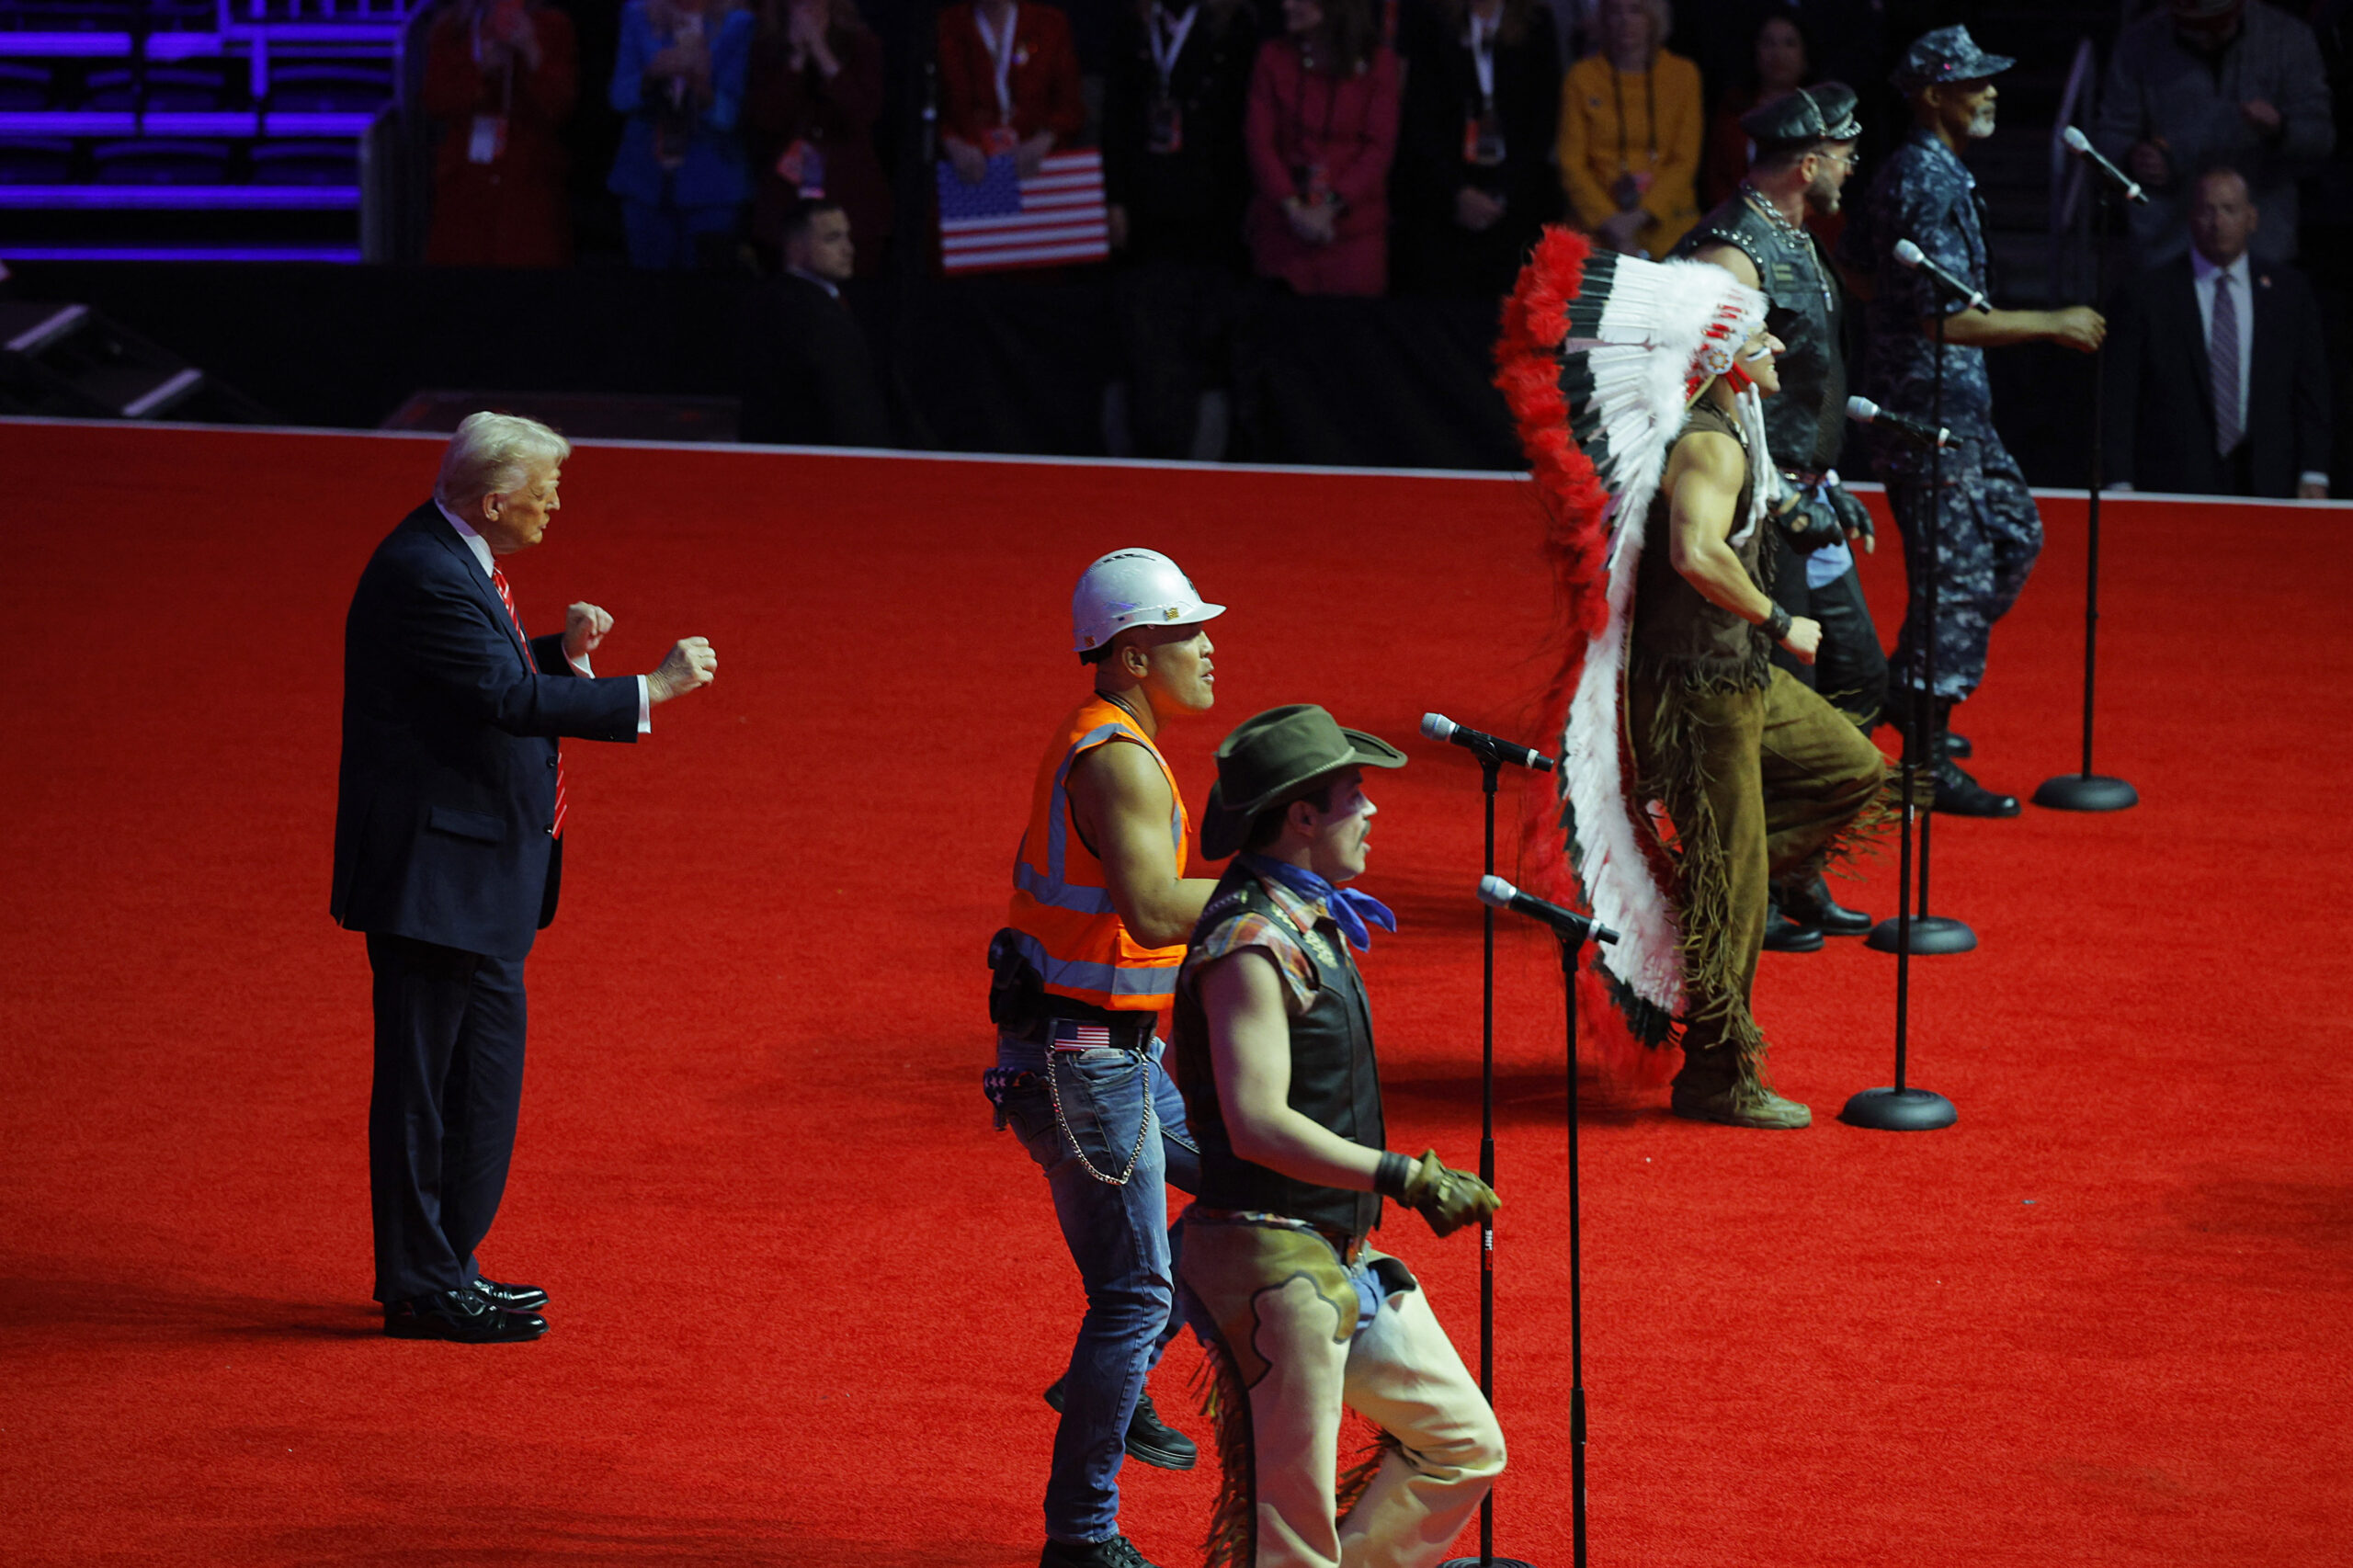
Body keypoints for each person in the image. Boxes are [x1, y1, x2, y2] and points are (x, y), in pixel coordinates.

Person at [334, 413, 718, 1342]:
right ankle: (423, 1282)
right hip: (435, 879)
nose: (556, 502)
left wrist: (558, 656)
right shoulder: (423, 570)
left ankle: (447, 1264)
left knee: (480, 1087)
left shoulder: (451, 554)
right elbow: (501, 701)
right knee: (429, 1091)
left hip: (480, 877)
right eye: (547, 487)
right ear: (496, 497)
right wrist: (646, 689)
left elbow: (484, 679)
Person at [1495, 231, 1891, 1125]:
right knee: (1737, 882)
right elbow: (1696, 548)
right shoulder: (1710, 446)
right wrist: (1780, 616)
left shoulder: (1731, 423)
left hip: (1734, 675)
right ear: (1724, 358)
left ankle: (1693, 885)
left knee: (1851, 768)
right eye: (1758, 338)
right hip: (1698, 691)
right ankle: (1717, 1070)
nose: (1779, 347)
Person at [1171, 702, 1505, 1568]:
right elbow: (1256, 1123)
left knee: (1464, 1444)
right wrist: (1404, 1175)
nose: (1374, 810)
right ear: (1302, 817)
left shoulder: (1302, 921)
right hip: (1271, 1261)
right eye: (1356, 794)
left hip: (1333, 1253)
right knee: (1290, 1530)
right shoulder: (1250, 942)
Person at [984, 549, 1224, 1568]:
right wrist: (1284, 892)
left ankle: (1104, 1384)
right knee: (1131, 1296)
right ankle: (1079, 1535)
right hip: (1084, 1061)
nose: (1209, 648)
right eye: (1188, 634)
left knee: (1255, 1189)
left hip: (1117, 1053)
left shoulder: (1122, 741)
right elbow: (1151, 906)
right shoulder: (1117, 758)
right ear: (1133, 654)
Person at [1836, 26, 2106, 817]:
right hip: (1926, 415)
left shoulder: (1926, 174)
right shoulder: (1926, 181)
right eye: (1973, 82)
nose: (1990, 92)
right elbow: (1939, 321)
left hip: (1958, 410)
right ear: (1932, 96)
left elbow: (1857, 269)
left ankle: (1908, 693)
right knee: (1951, 581)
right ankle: (1922, 759)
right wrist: (2051, 322)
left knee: (2014, 537)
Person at [1678, 80, 1884, 948]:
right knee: (1776, 704)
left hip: (1805, 494)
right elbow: (1697, 387)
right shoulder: (1731, 254)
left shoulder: (1792, 234)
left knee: (1859, 679)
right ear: (1810, 163)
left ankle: (1795, 867)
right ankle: (1744, 887)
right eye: (1844, 152)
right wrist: (1778, 491)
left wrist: (1822, 486)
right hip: (1755, 505)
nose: (1852, 164)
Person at [2102, 164, 2331, 500]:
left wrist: (2314, 472)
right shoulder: (2147, 294)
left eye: (2229, 210)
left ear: (2252, 218)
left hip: (2268, 482)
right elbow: (2120, 397)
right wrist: (2119, 480)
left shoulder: (2289, 293)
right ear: (2191, 217)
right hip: (2172, 483)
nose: (2218, 222)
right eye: (2208, 210)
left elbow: (2311, 389)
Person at [1102, 0, 1261, 459]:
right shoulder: (1132, 28)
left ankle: (1202, 465)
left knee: (1207, 345)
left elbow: (1240, 131)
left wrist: (1240, 210)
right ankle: (1128, 463)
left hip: (1210, 217)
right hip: (1143, 215)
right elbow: (1115, 117)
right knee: (1135, 341)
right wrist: (1114, 198)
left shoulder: (1233, 32)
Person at [2091, 0, 2335, 269]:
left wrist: (2280, 129)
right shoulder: (2139, 43)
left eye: (2216, 27)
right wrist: (2132, 158)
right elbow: (2110, 133)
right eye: (2193, 28)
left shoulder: (2287, 39)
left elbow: (2321, 137)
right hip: (2169, 242)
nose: (2205, 38)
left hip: (2263, 238)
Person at [1389, 0, 1563, 298]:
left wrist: (1503, 192)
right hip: (1444, 198)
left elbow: (1544, 118)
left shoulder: (1536, 22)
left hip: (1515, 197)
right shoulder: (1433, 19)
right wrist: (1457, 191)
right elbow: (1418, 117)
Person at [1241, 0, 1404, 296]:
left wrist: (1330, 207)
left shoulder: (1379, 63)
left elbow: (1378, 149)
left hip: (1353, 236)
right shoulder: (1272, 58)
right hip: (1283, 231)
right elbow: (1260, 143)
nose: (1286, 5)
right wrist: (1293, 208)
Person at [421, 0, 578, 267]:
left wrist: (531, 51)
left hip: (528, 189)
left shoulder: (552, 26)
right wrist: (480, 68)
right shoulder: (452, 28)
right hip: (465, 193)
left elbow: (561, 105)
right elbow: (435, 100)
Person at [745, 0, 891, 277]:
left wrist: (821, 51)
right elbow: (766, 121)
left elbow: (864, 113)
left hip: (850, 201)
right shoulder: (766, 46)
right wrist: (796, 58)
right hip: (786, 205)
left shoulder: (862, 44)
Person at [607, 0, 756, 269]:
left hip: (712, 189)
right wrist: (650, 77)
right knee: (648, 298)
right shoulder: (638, 14)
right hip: (645, 185)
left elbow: (732, 115)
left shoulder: (737, 23)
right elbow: (619, 97)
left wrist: (702, 91)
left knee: (706, 298)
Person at [734, 197, 893, 446]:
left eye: (847, 236)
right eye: (832, 239)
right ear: (796, 246)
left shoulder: (831, 302)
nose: (848, 249)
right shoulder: (789, 308)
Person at [1555, 0, 1702, 258]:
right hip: (1597, 231)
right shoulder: (1582, 77)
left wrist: (1640, 216)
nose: (1624, 21)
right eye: (1615, 12)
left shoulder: (1684, 75)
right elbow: (1571, 162)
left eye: (1635, 10)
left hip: (1669, 228)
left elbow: (1684, 160)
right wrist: (1611, 222)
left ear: (1653, 17)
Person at [937, 0, 1086, 185]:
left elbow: (1071, 106)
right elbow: (927, 107)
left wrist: (1045, 140)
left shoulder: (1049, 24)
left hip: (1037, 174)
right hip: (968, 176)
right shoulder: (945, 27)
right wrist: (952, 143)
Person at [1699, 6, 1807, 211]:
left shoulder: (1823, 113)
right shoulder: (1733, 108)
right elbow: (1715, 179)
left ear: (1806, 55)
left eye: (1789, 44)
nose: (1778, 53)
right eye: (1768, 43)